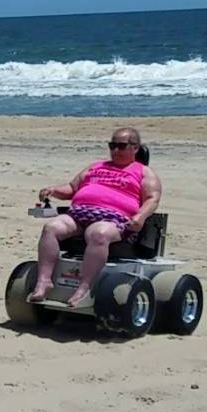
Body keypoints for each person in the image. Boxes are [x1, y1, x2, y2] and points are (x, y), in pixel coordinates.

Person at [28, 127, 162, 308]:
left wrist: (140, 216)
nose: (115, 150)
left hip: (113, 218)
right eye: (112, 145)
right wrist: (53, 190)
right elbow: (72, 188)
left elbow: (152, 198)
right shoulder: (97, 166)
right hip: (80, 213)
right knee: (51, 228)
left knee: (98, 233)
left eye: (121, 146)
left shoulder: (143, 172)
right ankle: (44, 281)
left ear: (135, 148)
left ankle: (84, 287)